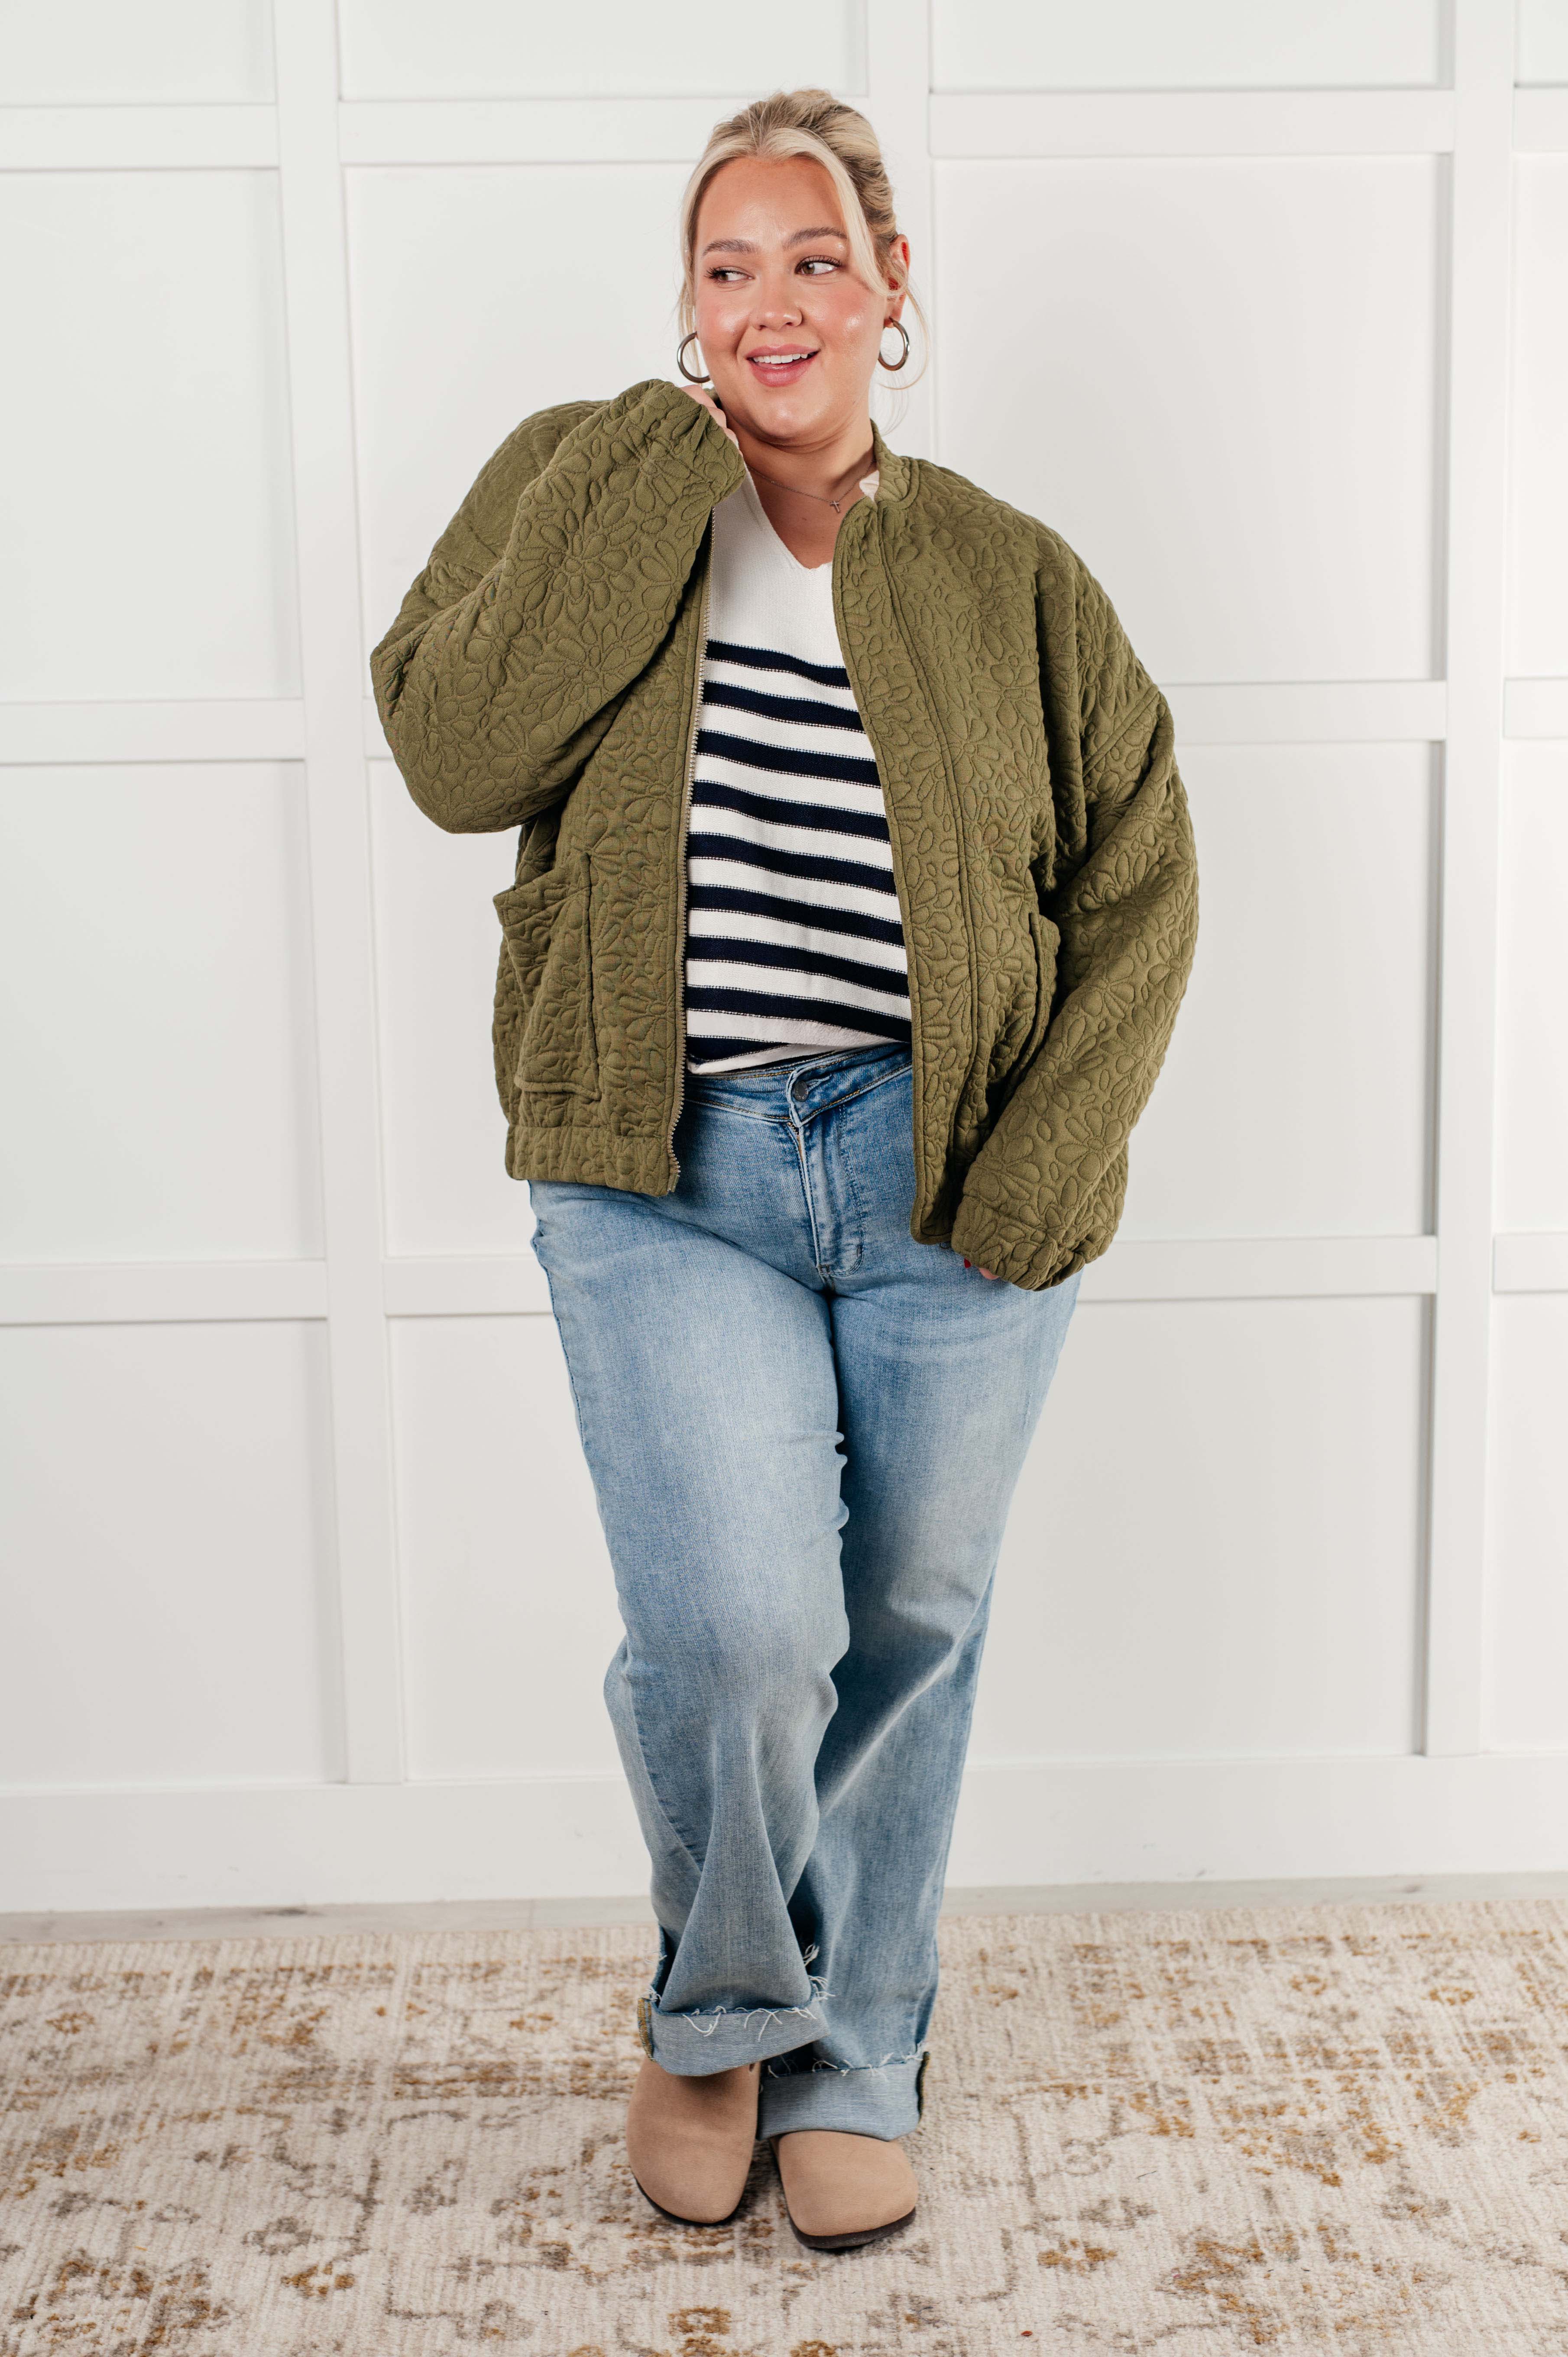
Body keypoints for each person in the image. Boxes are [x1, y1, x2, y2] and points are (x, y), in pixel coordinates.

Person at [371, 86, 1198, 2254]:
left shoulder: (1008, 571)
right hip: (664, 1163)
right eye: (725, 264)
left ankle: (860, 2044)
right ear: (684, 302)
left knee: (909, 1614)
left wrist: (1045, 1164)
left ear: (890, 288)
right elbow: (453, 750)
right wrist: (653, 475)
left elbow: (1141, 870)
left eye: (813, 257)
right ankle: (723, 1998)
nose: (770, 299)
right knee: (736, 1629)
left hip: (947, 1167)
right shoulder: (588, 484)